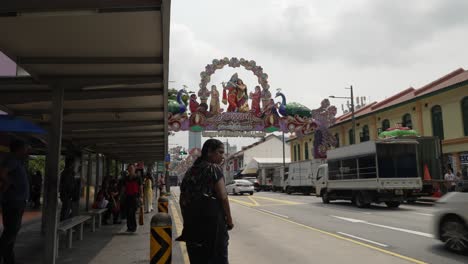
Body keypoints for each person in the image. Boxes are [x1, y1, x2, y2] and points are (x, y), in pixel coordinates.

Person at [177, 139, 234, 264]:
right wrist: (229, 220)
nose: (222, 156)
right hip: (213, 227)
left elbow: (182, 199)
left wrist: (187, 221)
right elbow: (223, 197)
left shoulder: (190, 171)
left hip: (192, 227)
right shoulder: (214, 169)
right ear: (209, 152)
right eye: (220, 152)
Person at [0, 139, 30, 264]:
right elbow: (2, 173)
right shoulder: (12, 159)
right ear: (19, 149)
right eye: (25, 148)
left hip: (17, 201)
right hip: (14, 201)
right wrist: (7, 182)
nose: (26, 151)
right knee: (11, 231)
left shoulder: (17, 161)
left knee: (11, 232)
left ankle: (9, 260)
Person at [122, 164, 143, 232]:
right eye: (129, 168)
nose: (130, 169)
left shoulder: (138, 177)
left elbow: (140, 188)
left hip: (135, 197)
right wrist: (120, 197)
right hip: (127, 197)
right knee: (128, 212)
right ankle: (129, 227)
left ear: (134, 169)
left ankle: (133, 227)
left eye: (132, 168)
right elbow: (124, 188)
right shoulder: (126, 178)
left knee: (132, 212)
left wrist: (141, 197)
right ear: (128, 169)